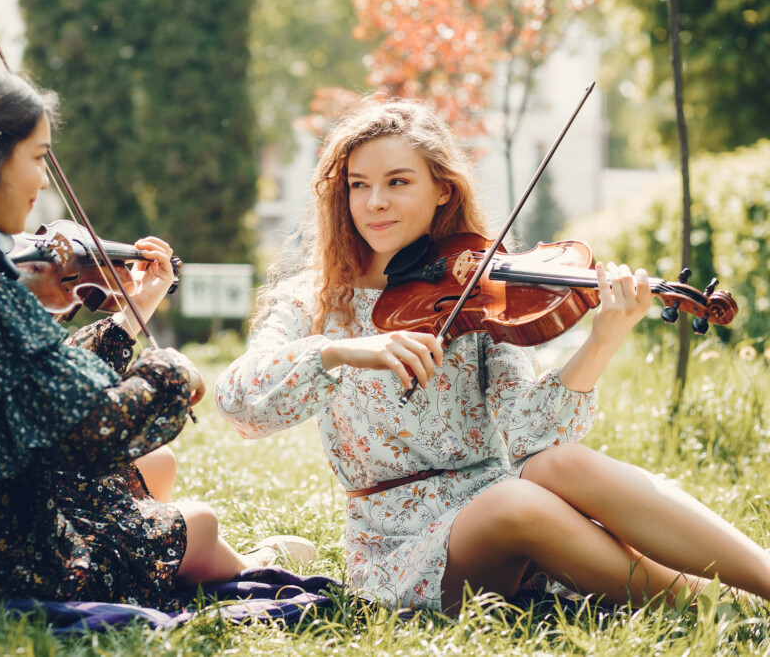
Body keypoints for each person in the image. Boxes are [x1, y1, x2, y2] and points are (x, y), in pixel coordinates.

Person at [214, 97, 770, 614]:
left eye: (398, 181)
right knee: (514, 503)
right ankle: (711, 606)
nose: (375, 201)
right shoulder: (312, 301)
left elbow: (533, 435)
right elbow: (240, 402)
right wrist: (342, 350)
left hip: (500, 499)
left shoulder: (478, 285)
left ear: (442, 191)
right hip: (401, 547)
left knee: (556, 464)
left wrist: (604, 338)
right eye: (359, 185)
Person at [0, 60, 313, 610]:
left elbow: (40, 378)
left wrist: (137, 307)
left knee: (156, 468)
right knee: (198, 522)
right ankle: (248, 562)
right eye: (37, 159)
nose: (41, 180)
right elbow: (98, 430)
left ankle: (188, 550)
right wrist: (171, 372)